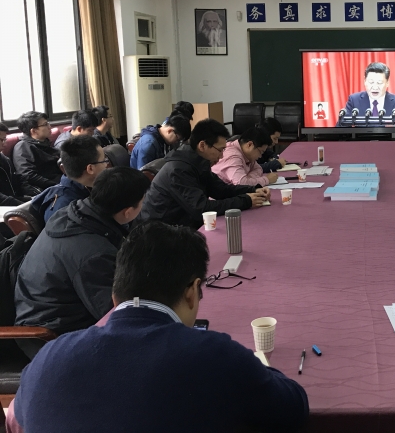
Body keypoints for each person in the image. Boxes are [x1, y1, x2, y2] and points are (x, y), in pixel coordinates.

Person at [9, 221, 309, 433]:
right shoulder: (214, 356)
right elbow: (293, 410)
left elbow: (17, 419)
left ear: (114, 295)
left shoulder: (47, 358)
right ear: (192, 292)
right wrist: (256, 365)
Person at [14, 168, 150, 344]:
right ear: (127, 212)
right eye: (142, 202)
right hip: (56, 335)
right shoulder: (93, 255)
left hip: (59, 311)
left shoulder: (74, 213)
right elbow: (118, 313)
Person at [139, 119, 269, 229]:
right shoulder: (179, 170)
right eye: (220, 150)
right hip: (159, 233)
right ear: (202, 145)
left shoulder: (198, 162)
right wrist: (246, 201)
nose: (222, 156)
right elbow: (201, 209)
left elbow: (221, 190)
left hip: (181, 226)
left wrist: (253, 190)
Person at [30, 136, 110, 223]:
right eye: (104, 160)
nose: (106, 165)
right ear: (90, 168)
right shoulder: (62, 208)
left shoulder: (91, 189)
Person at [336, 62, 395, 127]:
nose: (375, 87)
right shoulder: (354, 100)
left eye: (379, 83)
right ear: (365, 81)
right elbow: (340, 128)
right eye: (371, 82)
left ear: (387, 83)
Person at [12, 111, 61, 194]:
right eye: (45, 124)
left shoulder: (45, 143)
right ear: (34, 131)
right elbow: (28, 175)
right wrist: (57, 185)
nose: (50, 127)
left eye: (48, 123)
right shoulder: (23, 147)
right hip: (47, 189)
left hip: (60, 182)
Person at [212, 127, 277, 186]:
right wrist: (266, 180)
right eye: (260, 152)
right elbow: (241, 184)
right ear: (249, 144)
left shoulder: (247, 155)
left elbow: (258, 169)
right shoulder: (233, 156)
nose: (260, 156)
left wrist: (248, 178)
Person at [0, 123, 26, 207]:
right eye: (1, 140)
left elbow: (17, 183)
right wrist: (22, 206)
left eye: (5, 140)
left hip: (12, 202)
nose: (5, 144)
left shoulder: (5, 159)